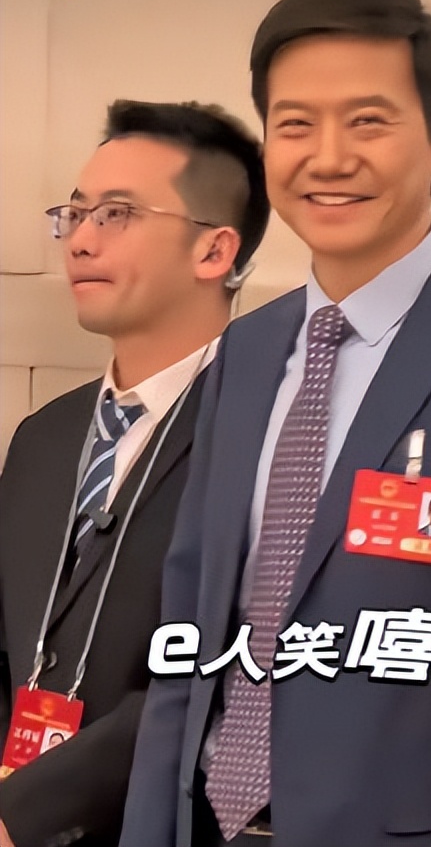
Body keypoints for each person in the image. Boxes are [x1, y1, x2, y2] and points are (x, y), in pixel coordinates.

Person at [120, 0, 431, 847]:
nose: (328, 157)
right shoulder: (247, 350)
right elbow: (189, 626)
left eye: (368, 121)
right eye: (295, 125)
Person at [0, 100, 268, 847]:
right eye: (75, 213)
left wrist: (25, 810)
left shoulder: (274, 434)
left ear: (214, 250)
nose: (81, 239)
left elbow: (232, 675)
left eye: (116, 214)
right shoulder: (43, 437)